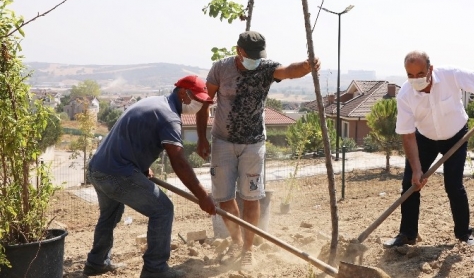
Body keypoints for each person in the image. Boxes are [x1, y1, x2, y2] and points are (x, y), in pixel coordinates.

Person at [195, 31, 320, 270]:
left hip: (253, 144)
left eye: (258, 55)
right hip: (222, 142)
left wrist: (306, 66)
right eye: (250, 55)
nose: (255, 59)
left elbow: (288, 70)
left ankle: (247, 249)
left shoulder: (265, 68)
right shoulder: (220, 68)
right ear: (238, 51)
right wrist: (201, 138)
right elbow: (204, 102)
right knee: (224, 198)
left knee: (251, 197)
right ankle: (236, 241)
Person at [84, 76, 217, 278]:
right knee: (163, 210)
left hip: (98, 169)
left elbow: (135, 137)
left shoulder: (155, 103)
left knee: (110, 215)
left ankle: (96, 263)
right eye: (197, 99)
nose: (199, 105)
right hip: (117, 173)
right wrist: (202, 195)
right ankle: (155, 269)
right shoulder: (169, 116)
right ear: (182, 93)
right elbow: (179, 162)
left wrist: (142, 167)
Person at [383, 51, 474, 248]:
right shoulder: (405, 95)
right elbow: (407, 135)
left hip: (456, 136)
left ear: (430, 69)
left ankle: (463, 234)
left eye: (420, 73)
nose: (415, 79)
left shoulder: (450, 75)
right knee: (411, 183)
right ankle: (407, 234)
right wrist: (417, 169)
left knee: (453, 185)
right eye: (410, 75)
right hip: (424, 138)